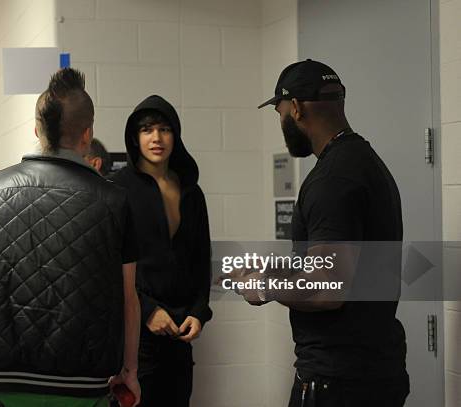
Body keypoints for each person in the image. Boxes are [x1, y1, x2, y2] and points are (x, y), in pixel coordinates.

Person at [0, 68, 141, 407]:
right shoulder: (114, 201)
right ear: (87, 135)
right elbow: (128, 299)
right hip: (83, 383)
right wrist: (130, 370)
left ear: (36, 130)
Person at [234, 59, 408, 406]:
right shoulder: (365, 163)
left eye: (279, 112)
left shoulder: (331, 179)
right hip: (373, 373)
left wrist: (263, 286)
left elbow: (327, 289)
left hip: (338, 382)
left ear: (296, 108)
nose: (281, 122)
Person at [110, 95, 212, 407]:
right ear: (134, 137)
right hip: (134, 339)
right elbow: (108, 263)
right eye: (147, 130)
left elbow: (201, 259)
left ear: (175, 135)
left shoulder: (190, 190)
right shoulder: (117, 189)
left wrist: (198, 311)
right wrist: (148, 311)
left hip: (180, 335)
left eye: (164, 129)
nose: (156, 138)